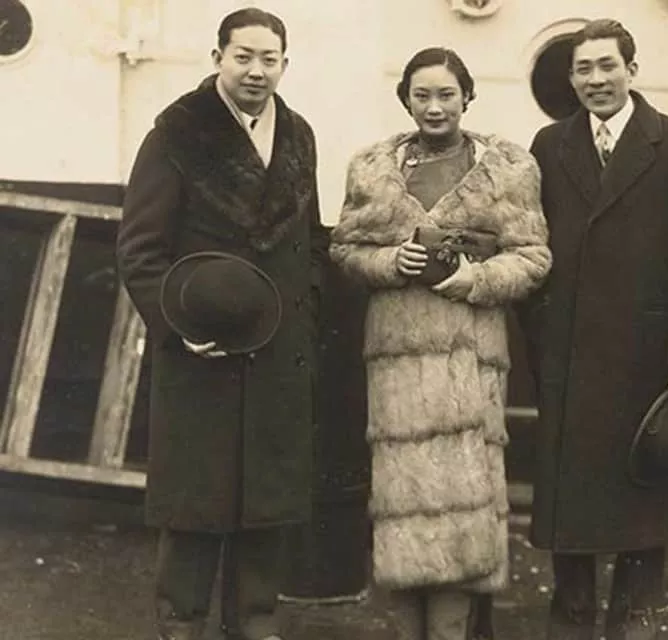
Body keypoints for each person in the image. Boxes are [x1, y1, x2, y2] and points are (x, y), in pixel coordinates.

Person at [115, 8, 328, 640]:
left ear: (285, 65)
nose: (256, 71)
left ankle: (255, 628)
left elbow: (312, 243)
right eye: (243, 56)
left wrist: (304, 314)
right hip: (201, 354)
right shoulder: (176, 133)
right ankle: (180, 627)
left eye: (270, 59)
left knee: (266, 516)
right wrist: (179, 326)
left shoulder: (299, 135)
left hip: (278, 355)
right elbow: (140, 249)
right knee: (194, 513)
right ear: (217, 58)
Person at [329, 47, 551, 640]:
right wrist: (389, 262)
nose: (434, 107)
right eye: (422, 95)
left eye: (446, 94)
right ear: (405, 99)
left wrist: (475, 279)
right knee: (401, 508)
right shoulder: (372, 169)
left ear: (467, 97)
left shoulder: (507, 170)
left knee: (465, 512)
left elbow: (533, 257)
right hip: (396, 369)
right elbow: (344, 249)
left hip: (467, 367)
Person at [521, 19, 668, 640]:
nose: (596, 80)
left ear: (632, 71)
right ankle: (571, 624)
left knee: (644, 513)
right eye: (583, 69)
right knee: (572, 521)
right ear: (571, 79)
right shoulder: (549, 145)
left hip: (648, 364)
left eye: (607, 65)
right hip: (570, 359)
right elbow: (532, 241)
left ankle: (635, 624)